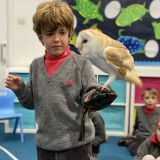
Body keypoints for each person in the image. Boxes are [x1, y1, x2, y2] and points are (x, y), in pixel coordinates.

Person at [5, 1, 109, 160]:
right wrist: (20, 89)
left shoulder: (81, 64)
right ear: (41, 37)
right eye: (49, 34)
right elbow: (32, 103)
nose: (56, 39)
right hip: (45, 144)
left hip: (77, 144)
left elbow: (91, 93)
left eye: (62, 33)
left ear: (70, 34)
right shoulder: (35, 66)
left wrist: (95, 96)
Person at [118, 87, 160, 156]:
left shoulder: (159, 112)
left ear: (157, 100)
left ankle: (129, 140)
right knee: (136, 152)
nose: (150, 100)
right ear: (143, 100)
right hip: (141, 136)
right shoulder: (139, 110)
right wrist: (132, 133)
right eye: (147, 98)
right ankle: (128, 142)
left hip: (153, 137)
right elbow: (136, 124)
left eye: (153, 98)